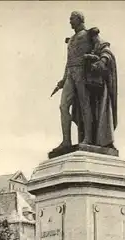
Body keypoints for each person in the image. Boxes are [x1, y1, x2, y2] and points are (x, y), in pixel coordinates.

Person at [51, 11, 94, 152]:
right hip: (70, 73)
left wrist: (91, 58)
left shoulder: (89, 34)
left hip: (82, 72)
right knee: (63, 106)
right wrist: (63, 79)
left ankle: (88, 138)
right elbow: (68, 61)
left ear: (80, 19)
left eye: (72, 19)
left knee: (84, 104)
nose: (70, 21)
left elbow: (102, 49)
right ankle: (66, 141)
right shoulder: (71, 39)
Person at [83, 27, 118, 148]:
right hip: (92, 85)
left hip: (102, 87)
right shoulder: (94, 47)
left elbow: (106, 56)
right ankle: (94, 139)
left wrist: (100, 61)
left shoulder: (103, 45)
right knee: (93, 112)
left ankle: (106, 140)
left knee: (103, 112)